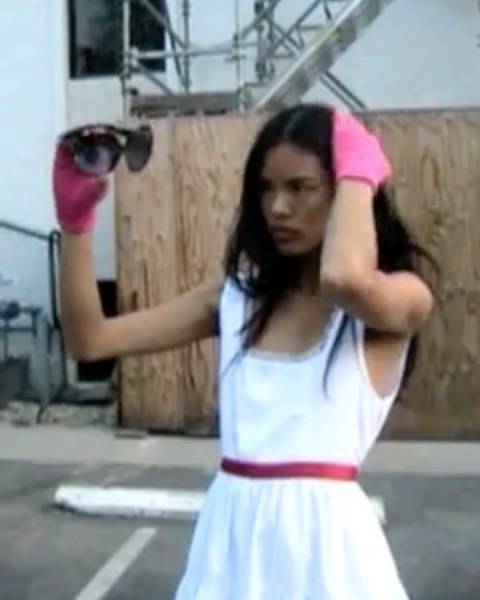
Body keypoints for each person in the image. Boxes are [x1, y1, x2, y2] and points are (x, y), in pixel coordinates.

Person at [53, 103, 434, 599]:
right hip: (231, 549)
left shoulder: (401, 299)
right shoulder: (235, 299)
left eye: (301, 187)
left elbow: (345, 279)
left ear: (345, 190)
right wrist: (76, 224)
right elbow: (90, 340)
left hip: (330, 561)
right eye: (266, 189)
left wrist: (360, 170)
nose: (278, 207)